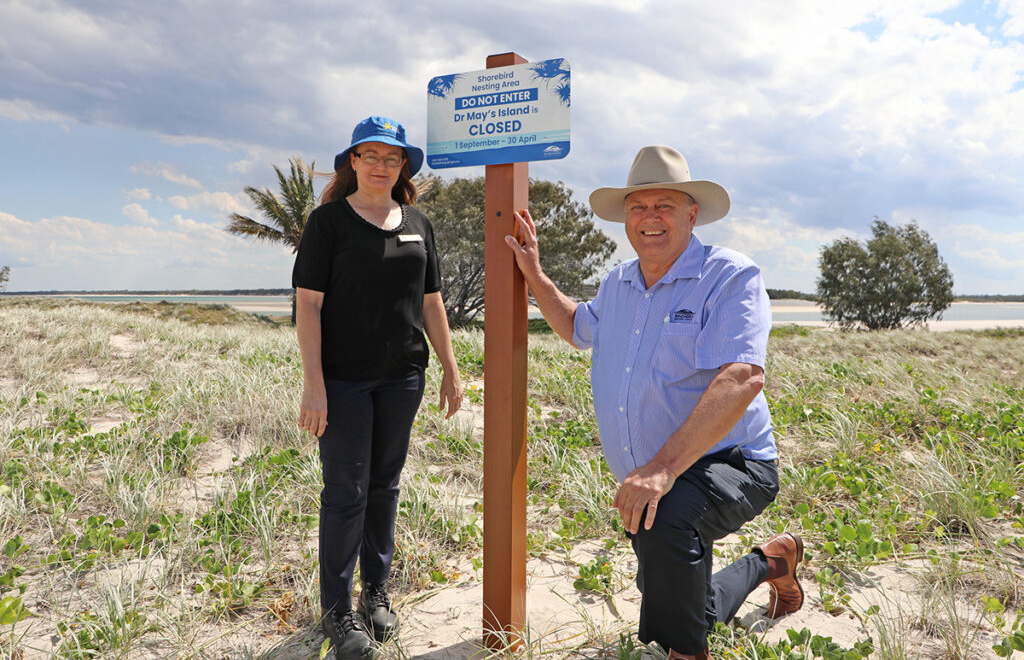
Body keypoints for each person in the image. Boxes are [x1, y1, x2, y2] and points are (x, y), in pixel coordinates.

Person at [504, 146, 804, 659]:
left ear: (692, 213)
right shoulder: (618, 283)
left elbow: (742, 378)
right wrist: (533, 272)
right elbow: (578, 326)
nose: (650, 218)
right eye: (638, 207)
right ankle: (772, 562)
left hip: (730, 462)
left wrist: (662, 470)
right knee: (685, 603)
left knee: (667, 529)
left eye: (664, 205)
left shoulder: (730, 277)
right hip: (649, 475)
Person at [293, 116, 463, 659]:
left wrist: (451, 369)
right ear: (352, 163)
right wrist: (313, 385)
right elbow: (309, 305)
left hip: (403, 379)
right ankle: (337, 610)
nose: (381, 166)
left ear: (404, 166)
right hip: (342, 382)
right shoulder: (329, 224)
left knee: (386, 487)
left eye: (393, 158)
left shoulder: (418, 221)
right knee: (347, 493)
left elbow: (432, 301)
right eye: (370, 156)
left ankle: (376, 593)